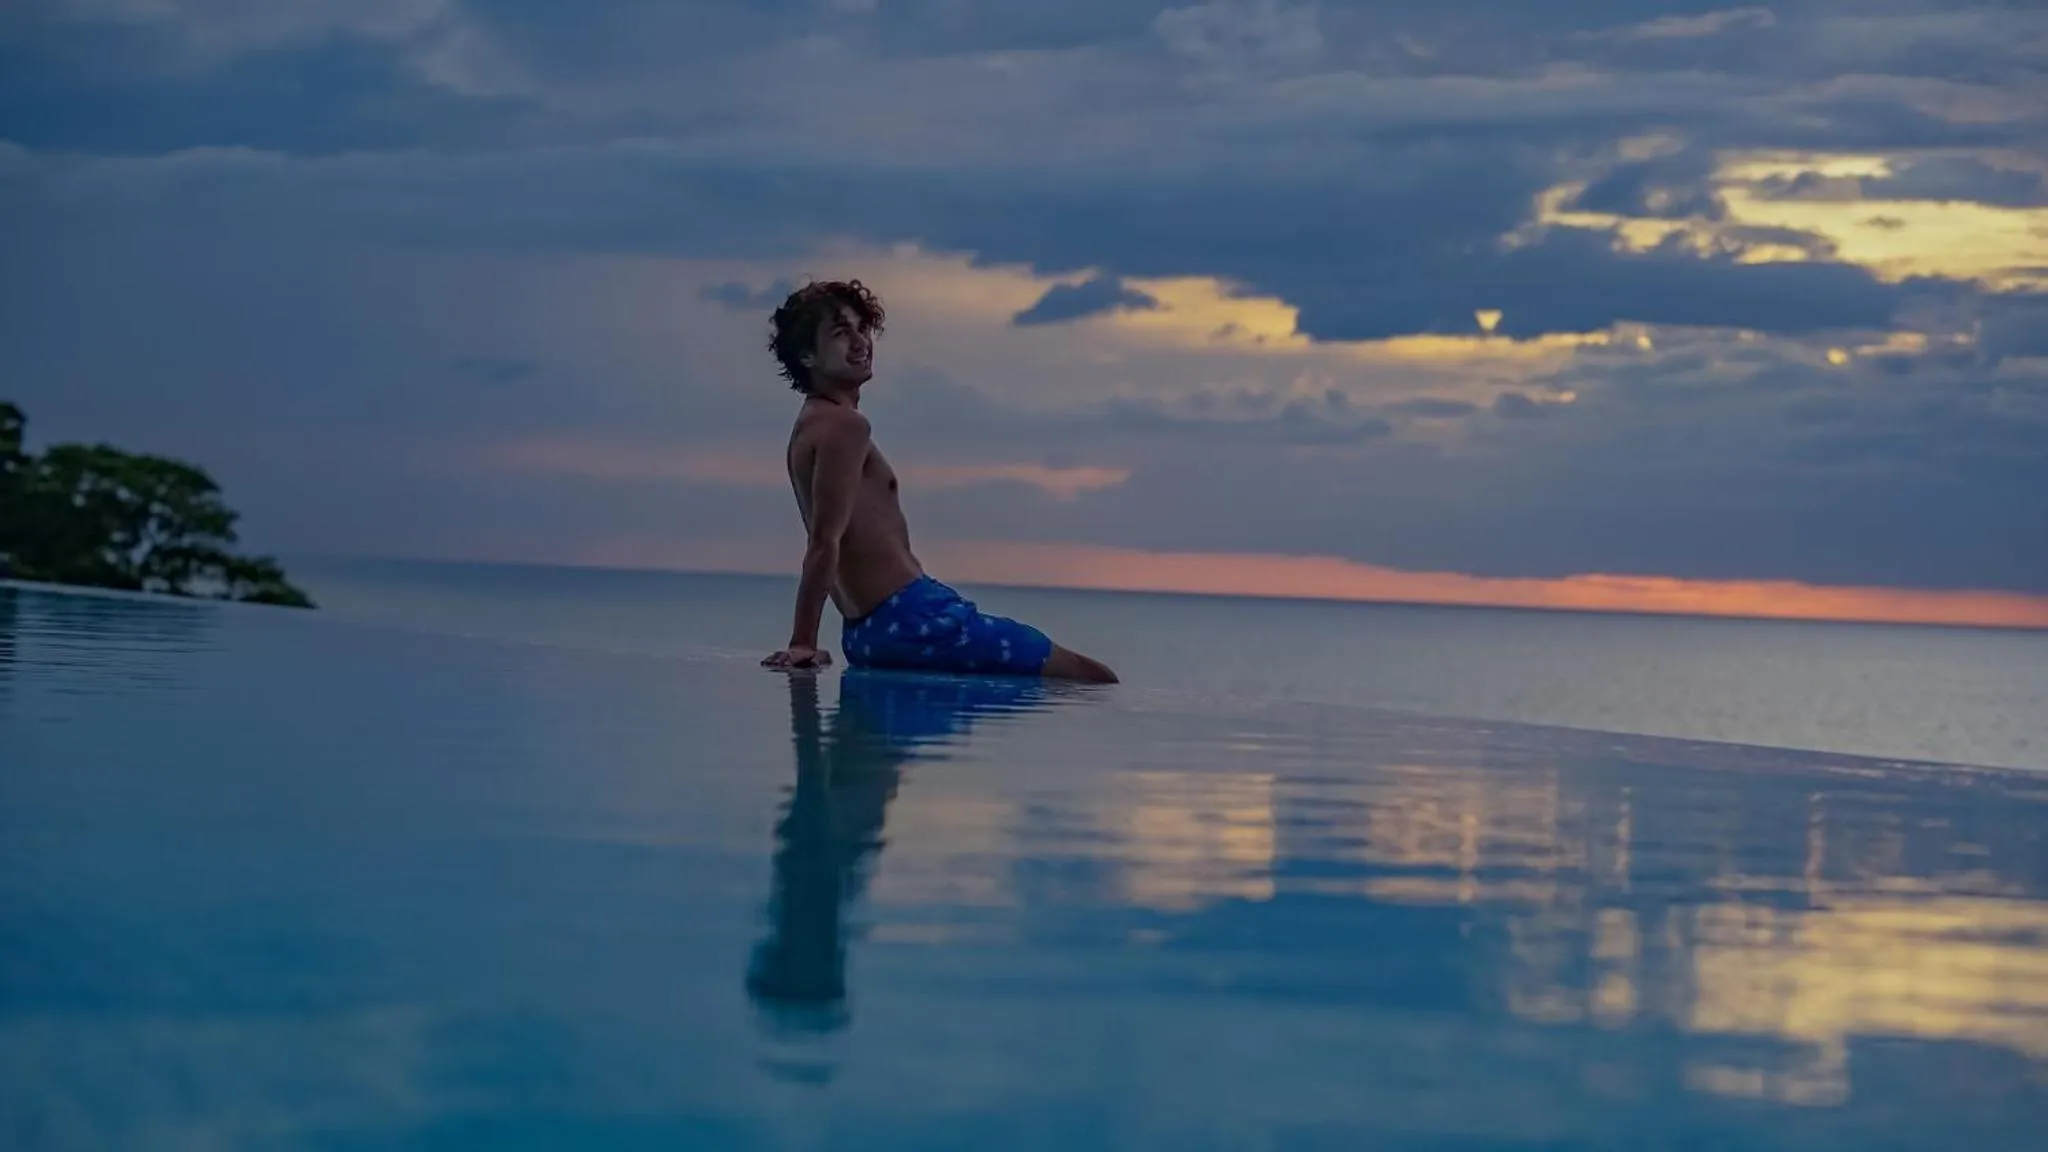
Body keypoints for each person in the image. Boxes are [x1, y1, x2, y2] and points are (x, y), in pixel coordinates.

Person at [758, 279, 1118, 683]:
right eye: (841, 333)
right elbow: (825, 540)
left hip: (867, 633)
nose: (860, 342)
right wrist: (802, 640)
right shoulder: (845, 426)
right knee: (1092, 677)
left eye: (863, 329)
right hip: (913, 619)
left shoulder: (810, 423)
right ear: (807, 354)